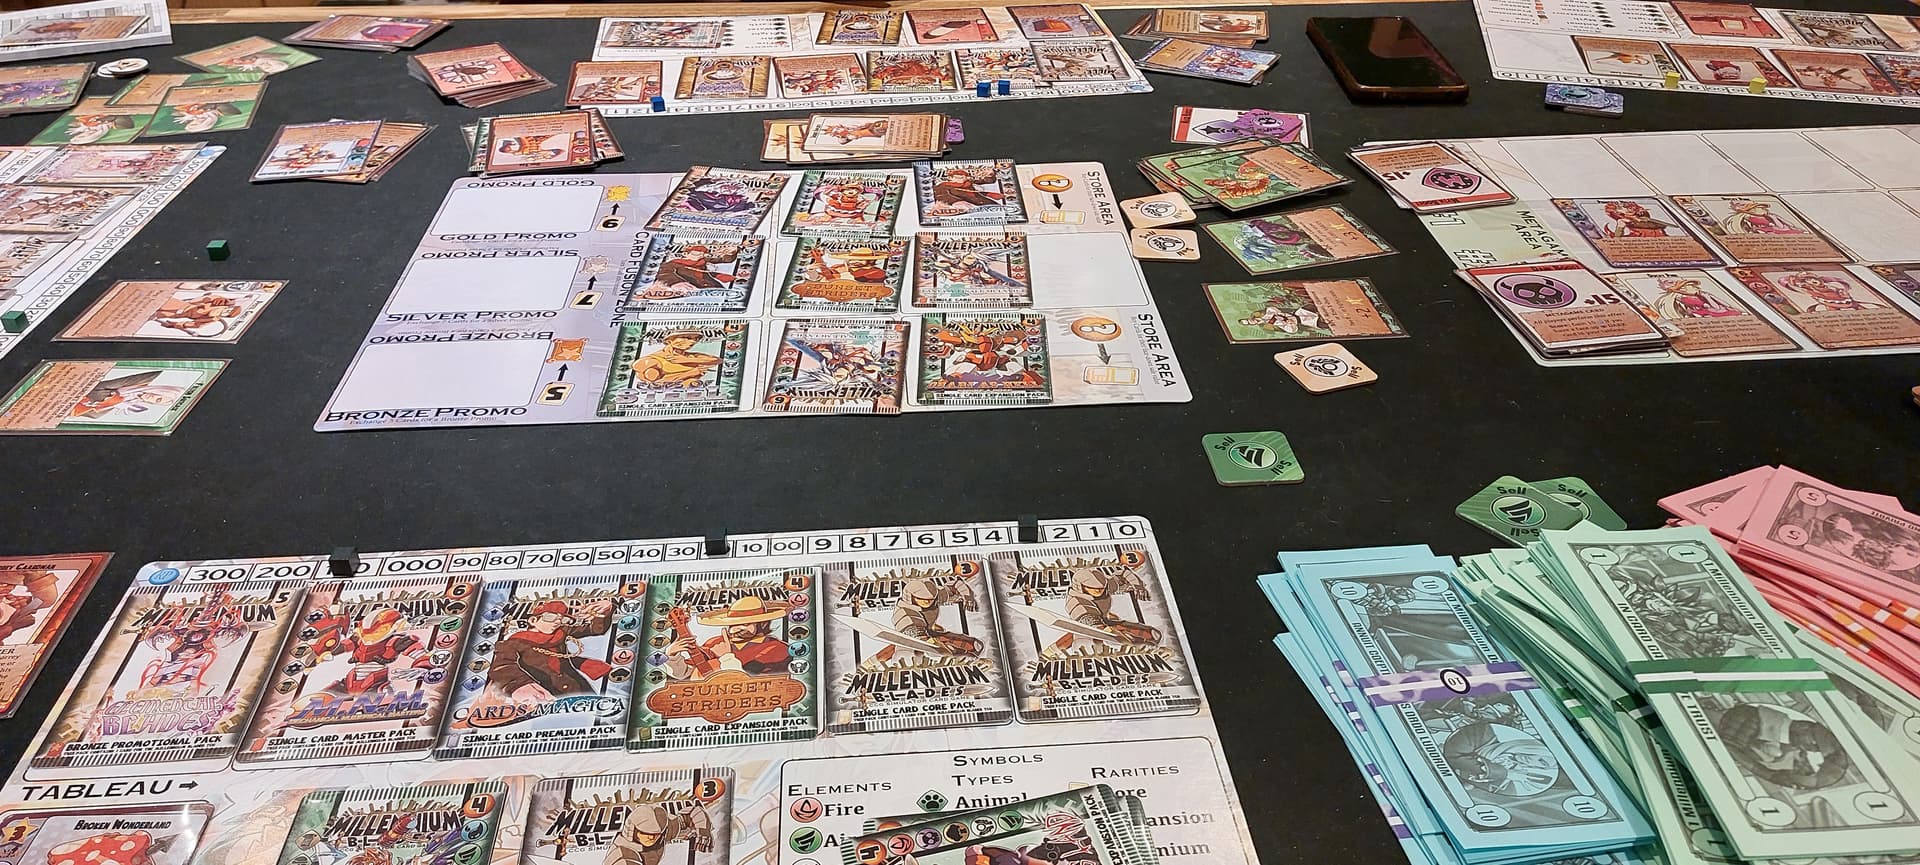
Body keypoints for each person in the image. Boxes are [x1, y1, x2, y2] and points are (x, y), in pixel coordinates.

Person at [487, 598, 615, 700]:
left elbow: (596, 629)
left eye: (561, 619)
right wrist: (519, 685)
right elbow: (502, 666)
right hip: (542, 692)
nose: (557, 622)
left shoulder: (561, 632)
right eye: (550, 617)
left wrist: (604, 612)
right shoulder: (514, 642)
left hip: (578, 687)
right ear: (533, 620)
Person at [665, 595, 790, 678]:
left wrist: (726, 656)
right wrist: (672, 656)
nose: (736, 629)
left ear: (763, 624)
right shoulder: (715, 642)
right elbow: (688, 674)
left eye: (745, 624)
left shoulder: (777, 649)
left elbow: (748, 678)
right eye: (733, 624)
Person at [630, 330, 721, 387]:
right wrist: (690, 373)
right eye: (686, 337)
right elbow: (657, 383)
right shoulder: (654, 360)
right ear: (670, 341)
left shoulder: (691, 356)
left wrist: (686, 360)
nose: (692, 341)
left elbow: (718, 360)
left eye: (695, 339)